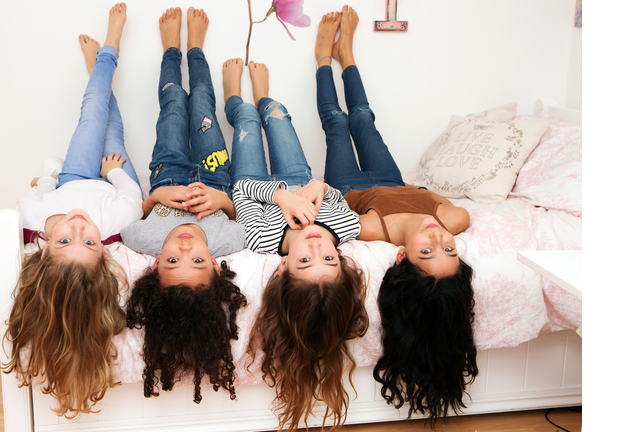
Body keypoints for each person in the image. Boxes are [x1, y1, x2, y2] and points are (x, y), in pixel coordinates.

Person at [314, 6, 477, 426]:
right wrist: (426, 197)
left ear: (402, 256)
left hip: (353, 184)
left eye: (429, 249)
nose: (437, 234)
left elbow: (334, 207)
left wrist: (337, 194)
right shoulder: (452, 220)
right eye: (449, 248)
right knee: (364, 118)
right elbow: (455, 210)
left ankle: (321, 60)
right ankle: (347, 56)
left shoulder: (375, 230)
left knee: (336, 122)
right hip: (394, 178)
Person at [3, 3, 141, 419]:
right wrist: (116, 173)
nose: (80, 226)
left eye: (66, 240)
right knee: (114, 127)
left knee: (93, 112)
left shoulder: (30, 219)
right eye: (90, 241)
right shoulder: (117, 222)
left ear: (44, 249)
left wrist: (48, 175)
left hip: (75, 173)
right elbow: (132, 199)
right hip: (110, 177)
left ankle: (108, 51)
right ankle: (98, 67)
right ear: (106, 252)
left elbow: (41, 191)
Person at [222, 56, 367, 431]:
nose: (317, 245)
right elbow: (335, 198)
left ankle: (233, 96)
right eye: (329, 259)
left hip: (258, 181)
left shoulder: (261, 240)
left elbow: (241, 193)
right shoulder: (344, 228)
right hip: (299, 175)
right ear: (342, 260)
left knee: (248, 119)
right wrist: (318, 187)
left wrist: (282, 199)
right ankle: (265, 96)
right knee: (276, 113)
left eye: (307, 261)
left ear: (284, 267)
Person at [121, 7, 247, 405]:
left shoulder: (145, 240)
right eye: (197, 262)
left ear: (155, 265)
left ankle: (170, 50)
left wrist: (156, 196)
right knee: (204, 103)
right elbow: (241, 217)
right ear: (213, 266)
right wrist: (222, 200)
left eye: (174, 261)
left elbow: (130, 218)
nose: (187, 248)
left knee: (174, 102)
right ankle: (197, 49)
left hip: (168, 171)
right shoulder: (225, 244)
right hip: (213, 173)